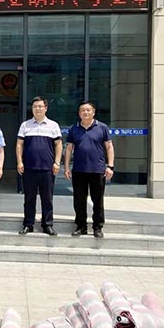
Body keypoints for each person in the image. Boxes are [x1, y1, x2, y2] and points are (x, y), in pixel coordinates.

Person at [64, 101, 114, 238]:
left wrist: (110, 166)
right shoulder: (74, 128)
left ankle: (97, 227)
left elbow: (109, 147)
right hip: (79, 170)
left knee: (97, 200)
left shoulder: (102, 127)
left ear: (93, 112)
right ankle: (81, 226)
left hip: (97, 170)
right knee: (79, 200)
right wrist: (66, 167)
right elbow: (69, 148)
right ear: (79, 113)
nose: (85, 112)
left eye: (88, 110)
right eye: (82, 110)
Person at [16, 97, 63, 236]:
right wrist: (19, 161)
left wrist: (57, 162)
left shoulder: (53, 125)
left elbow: (58, 145)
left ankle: (47, 224)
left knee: (47, 198)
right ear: (32, 109)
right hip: (29, 168)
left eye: (40, 106)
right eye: (35, 106)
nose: (37, 109)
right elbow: (19, 144)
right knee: (29, 198)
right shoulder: (25, 125)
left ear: (46, 108)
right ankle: (28, 224)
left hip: (47, 168)